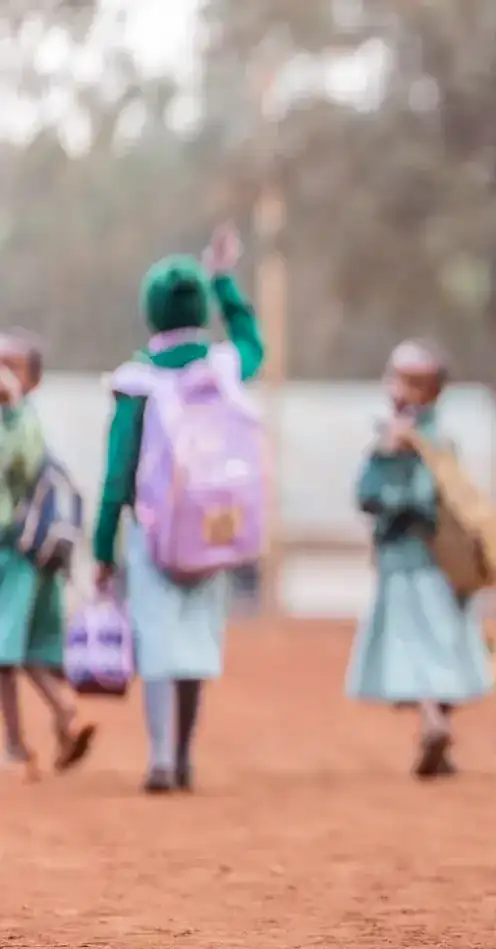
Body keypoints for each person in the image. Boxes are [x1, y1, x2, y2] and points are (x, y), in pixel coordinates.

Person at [94, 223, 263, 794]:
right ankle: (186, 754)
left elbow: (117, 474)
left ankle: (160, 755)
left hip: (155, 535)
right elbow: (251, 339)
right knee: (196, 643)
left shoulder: (139, 381)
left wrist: (102, 549)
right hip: (214, 529)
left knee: (160, 643)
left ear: (151, 313)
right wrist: (223, 282)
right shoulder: (222, 368)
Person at [344, 340, 493, 778]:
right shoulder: (397, 438)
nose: (397, 389)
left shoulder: (429, 442)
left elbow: (409, 499)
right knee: (437, 646)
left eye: (410, 381)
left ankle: (432, 721)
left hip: (427, 561)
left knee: (422, 648)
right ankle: (437, 730)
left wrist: (392, 471)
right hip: (413, 562)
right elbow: (365, 494)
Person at [0, 329, 94, 780]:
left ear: (31, 381)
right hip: (30, 549)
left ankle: (16, 747)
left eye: (10, 364)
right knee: (30, 645)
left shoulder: (22, 421)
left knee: (4, 651)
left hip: (15, 548)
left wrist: (13, 407)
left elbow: (20, 462)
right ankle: (66, 714)